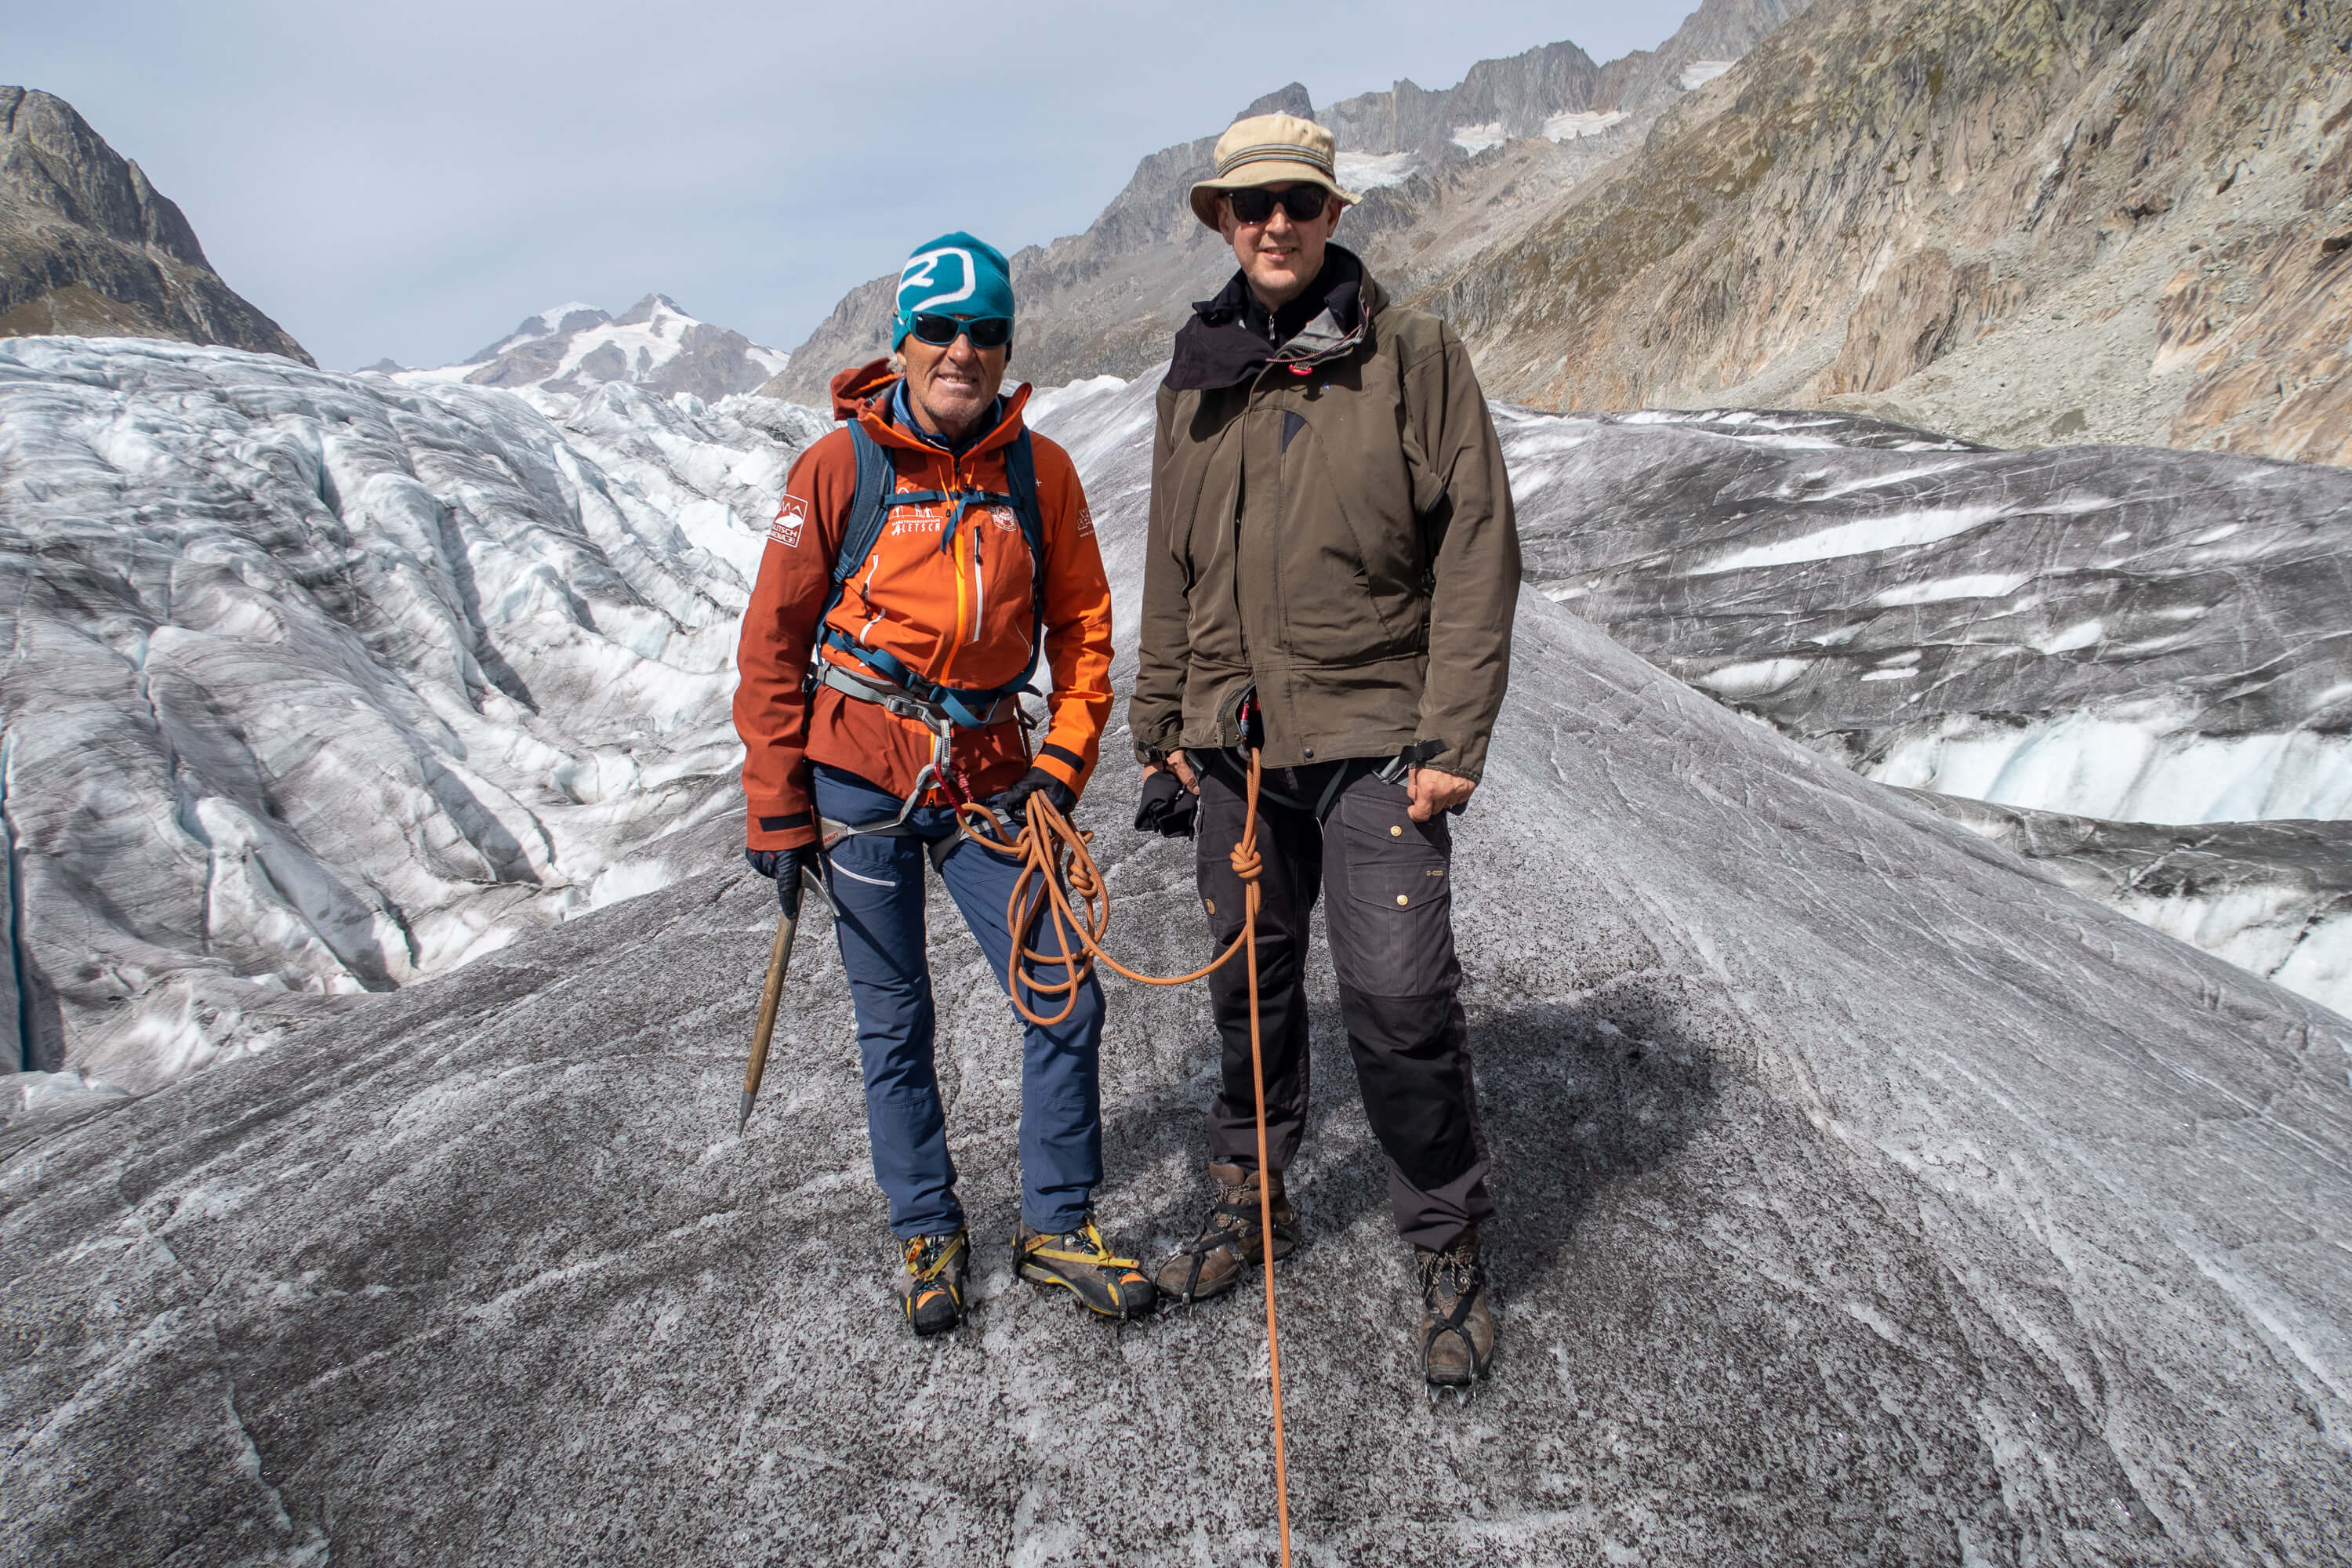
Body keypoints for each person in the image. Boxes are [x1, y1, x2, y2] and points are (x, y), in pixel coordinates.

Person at [1130, 115, 1523, 1388]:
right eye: (1252, 208)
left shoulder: (1410, 355)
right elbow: (1171, 571)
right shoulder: (1196, 380)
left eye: (1299, 201)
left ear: (1333, 211)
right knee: (1248, 988)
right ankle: (1256, 1199)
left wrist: (1453, 732)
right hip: (1239, 751)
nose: (1277, 225)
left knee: (1402, 998)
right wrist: (1162, 726)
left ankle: (1448, 1240)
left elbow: (1475, 541)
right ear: (1223, 224)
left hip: (1371, 741)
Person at [734, 231, 1155, 1337]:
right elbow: (773, 642)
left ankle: (1054, 1222)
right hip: (859, 778)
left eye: (985, 332)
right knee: (896, 1019)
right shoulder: (840, 468)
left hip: (991, 778)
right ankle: (927, 1229)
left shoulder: (1039, 471)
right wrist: (777, 805)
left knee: (1063, 984)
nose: (961, 350)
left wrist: (1061, 766)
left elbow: (1085, 629)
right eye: (940, 329)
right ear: (904, 341)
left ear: (1006, 344)